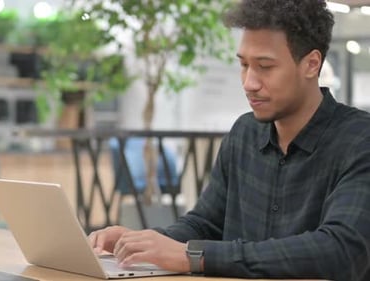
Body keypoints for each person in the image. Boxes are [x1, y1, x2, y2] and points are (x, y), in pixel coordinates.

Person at [88, 0, 370, 280]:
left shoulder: (359, 140)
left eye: (265, 66)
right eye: (244, 65)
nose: (249, 82)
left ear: (311, 64)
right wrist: (143, 243)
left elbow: (341, 251)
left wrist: (194, 256)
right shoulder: (245, 133)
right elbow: (205, 224)